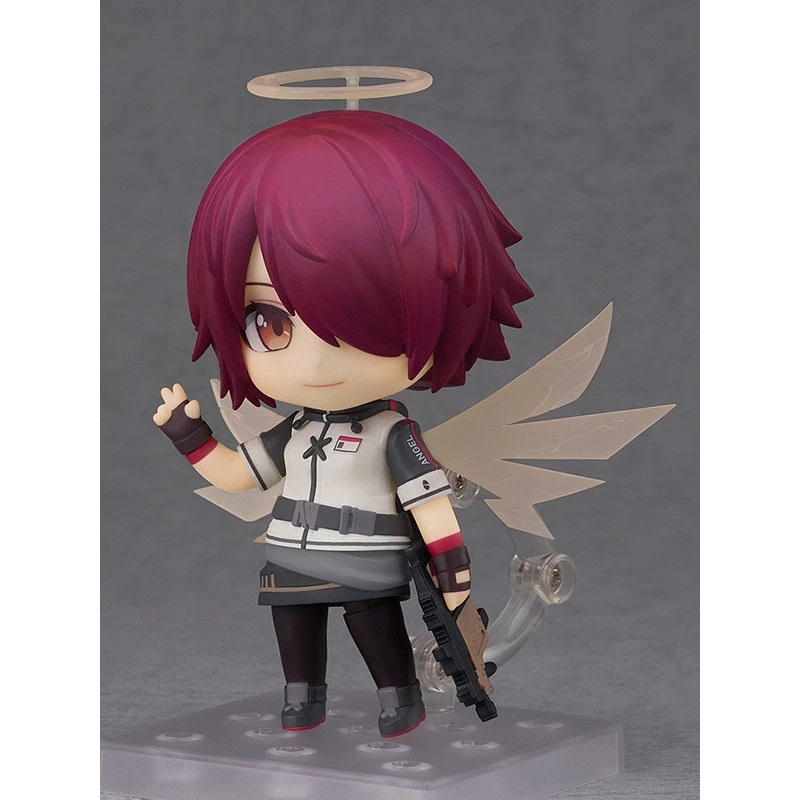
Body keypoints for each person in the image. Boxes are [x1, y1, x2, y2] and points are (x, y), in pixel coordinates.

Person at [153, 109, 533, 737]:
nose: (313, 362)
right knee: (294, 625)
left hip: (367, 557)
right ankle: (302, 697)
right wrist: (189, 436)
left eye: (364, 322)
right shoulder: (295, 431)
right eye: (270, 324)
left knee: (372, 622)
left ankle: (399, 697)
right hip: (291, 552)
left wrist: (453, 577)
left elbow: (431, 505)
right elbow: (239, 474)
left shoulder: (393, 434)